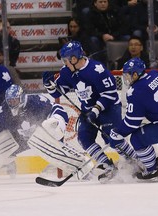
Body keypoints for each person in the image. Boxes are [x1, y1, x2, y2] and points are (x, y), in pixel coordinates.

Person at [42, 41, 139, 183]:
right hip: (88, 111)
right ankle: (108, 165)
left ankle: (135, 161)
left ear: (74, 59)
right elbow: (57, 93)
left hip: (109, 108)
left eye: (66, 60)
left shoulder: (97, 70)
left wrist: (96, 110)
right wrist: (49, 85)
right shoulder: (67, 71)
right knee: (84, 138)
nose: (65, 63)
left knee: (112, 139)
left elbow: (110, 94)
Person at [0, 84, 85, 184]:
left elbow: (56, 108)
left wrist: (57, 120)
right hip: (18, 140)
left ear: (21, 97)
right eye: (10, 101)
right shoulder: (3, 110)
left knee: (46, 135)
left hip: (39, 136)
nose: (12, 103)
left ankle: (79, 165)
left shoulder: (35, 101)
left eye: (15, 100)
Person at [109, 57, 158, 182]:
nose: (126, 79)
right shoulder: (155, 74)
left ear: (136, 74)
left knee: (137, 138)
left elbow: (132, 123)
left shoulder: (135, 92)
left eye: (128, 75)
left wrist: (118, 132)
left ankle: (152, 170)